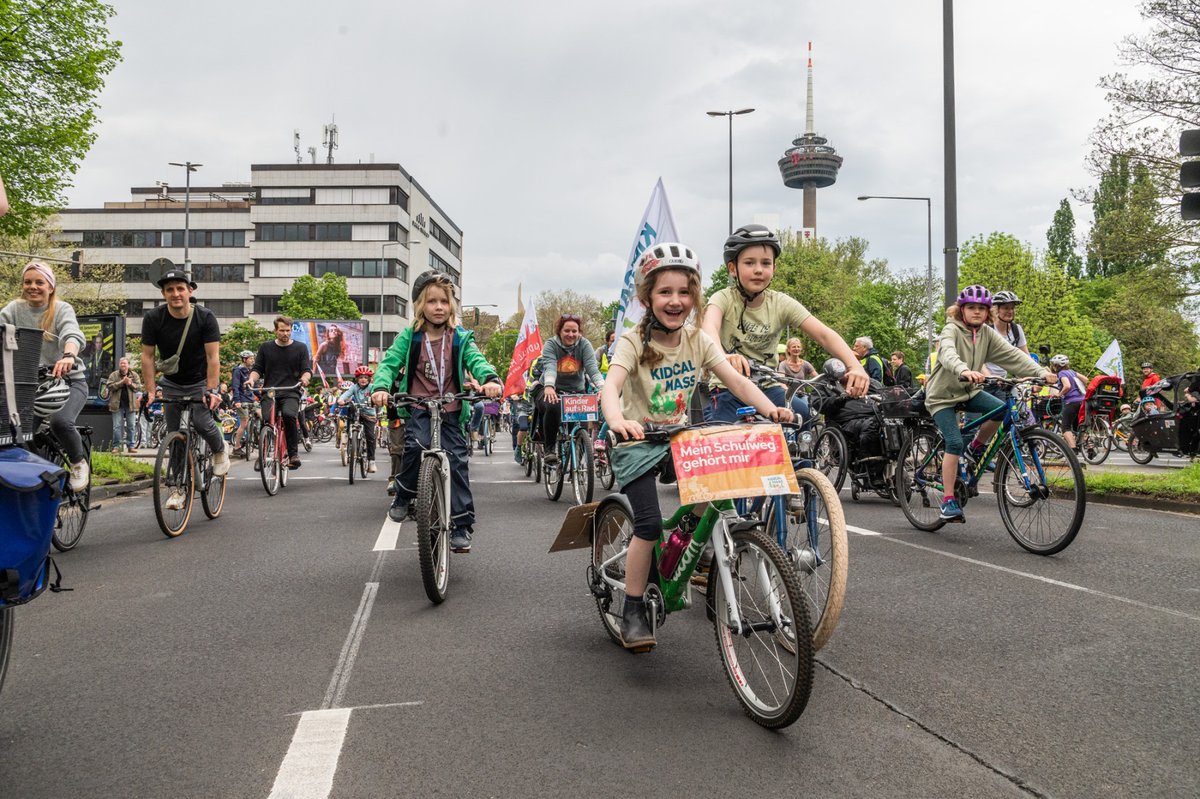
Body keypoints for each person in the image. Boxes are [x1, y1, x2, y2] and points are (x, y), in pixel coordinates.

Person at [601, 242, 793, 651]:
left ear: (695, 297)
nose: (676, 301)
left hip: (680, 439)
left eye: (684, 292)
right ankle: (633, 606)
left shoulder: (698, 341)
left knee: (717, 489)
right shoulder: (633, 342)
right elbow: (611, 385)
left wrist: (770, 408)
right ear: (646, 298)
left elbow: (737, 381)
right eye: (665, 292)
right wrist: (617, 420)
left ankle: (692, 549)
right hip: (638, 443)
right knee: (649, 524)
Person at [370, 271, 502, 553]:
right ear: (421, 305)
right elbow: (389, 363)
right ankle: (404, 496)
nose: (439, 307)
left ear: (451, 305)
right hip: (419, 407)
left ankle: (462, 524)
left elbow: (476, 361)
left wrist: (490, 379)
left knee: (457, 462)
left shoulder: (460, 338)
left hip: (451, 409)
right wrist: (380, 386)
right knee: (415, 448)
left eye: (444, 301)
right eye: (432, 301)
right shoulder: (411, 336)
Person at [702, 223, 868, 423]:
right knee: (724, 438)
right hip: (727, 388)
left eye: (765, 263)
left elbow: (824, 334)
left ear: (774, 268)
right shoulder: (723, 298)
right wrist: (724, 357)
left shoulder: (780, 302)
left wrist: (855, 366)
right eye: (749, 263)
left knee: (804, 415)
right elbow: (709, 327)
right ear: (732, 269)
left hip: (768, 386)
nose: (758, 270)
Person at [923, 285, 1053, 523]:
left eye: (982, 309)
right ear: (961, 310)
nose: (976, 313)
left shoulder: (986, 333)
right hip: (942, 396)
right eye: (971, 308)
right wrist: (964, 369)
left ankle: (976, 448)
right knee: (953, 442)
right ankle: (948, 501)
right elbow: (947, 354)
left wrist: (1041, 372)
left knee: (1001, 410)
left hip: (968, 392)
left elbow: (1012, 356)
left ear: (988, 312)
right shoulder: (950, 330)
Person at [140, 271, 229, 510]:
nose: (175, 294)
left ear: (190, 291)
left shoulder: (205, 317)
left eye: (180, 288)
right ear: (163, 294)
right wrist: (150, 390)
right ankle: (177, 489)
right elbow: (147, 357)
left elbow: (213, 357)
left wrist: (211, 390)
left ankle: (220, 450)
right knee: (175, 435)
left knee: (201, 421)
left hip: (200, 380)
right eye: (170, 290)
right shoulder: (153, 318)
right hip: (171, 382)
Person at [0, 262, 90, 490]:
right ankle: (38, 478)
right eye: (28, 282)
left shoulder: (61, 309)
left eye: (39, 282)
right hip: (31, 385)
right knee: (15, 433)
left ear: (50, 287)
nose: (33, 287)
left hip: (68, 382)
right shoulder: (13, 309)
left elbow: (72, 333)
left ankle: (79, 463)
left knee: (61, 422)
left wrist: (69, 355)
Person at [533, 314, 604, 464]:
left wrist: (603, 388)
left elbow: (592, 370)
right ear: (559, 331)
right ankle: (550, 449)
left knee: (581, 424)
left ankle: (578, 461)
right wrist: (549, 386)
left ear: (579, 332)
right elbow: (550, 367)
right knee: (553, 406)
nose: (571, 335)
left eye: (574, 331)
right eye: (567, 331)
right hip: (550, 390)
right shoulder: (551, 345)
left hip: (576, 392)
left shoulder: (584, 345)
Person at [248, 315, 313, 470]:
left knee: (289, 416)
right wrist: (251, 379)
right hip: (270, 391)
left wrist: (304, 378)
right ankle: (262, 455)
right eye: (282, 330)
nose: (285, 334)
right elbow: (257, 369)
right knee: (266, 420)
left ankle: (293, 455)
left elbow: (307, 370)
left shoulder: (300, 348)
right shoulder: (266, 347)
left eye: (288, 330)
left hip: (291, 391)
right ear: (275, 331)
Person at [338, 366, 378, 473]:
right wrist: (341, 399)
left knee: (370, 437)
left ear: (369, 379)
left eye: (365, 377)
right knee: (350, 421)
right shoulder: (354, 388)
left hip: (369, 414)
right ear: (357, 379)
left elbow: (376, 395)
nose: (363, 379)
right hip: (357, 413)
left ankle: (371, 461)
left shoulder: (372, 387)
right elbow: (346, 394)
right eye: (360, 377)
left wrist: (375, 401)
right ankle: (351, 440)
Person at [1048, 354, 1087, 451]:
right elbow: (1086, 380)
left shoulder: (1061, 373)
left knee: (1065, 427)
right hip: (1082, 401)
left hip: (1071, 402)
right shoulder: (1072, 372)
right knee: (1079, 426)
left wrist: (1059, 394)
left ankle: (1073, 450)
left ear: (1056, 365)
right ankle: (1089, 447)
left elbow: (1067, 386)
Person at [106, 357, 142, 452]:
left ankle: (131, 446)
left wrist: (130, 383)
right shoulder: (114, 375)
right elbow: (109, 386)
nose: (123, 365)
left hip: (131, 405)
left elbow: (138, 387)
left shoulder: (134, 375)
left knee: (131, 426)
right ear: (119, 364)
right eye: (121, 363)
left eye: (125, 363)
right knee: (117, 427)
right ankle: (116, 447)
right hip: (117, 405)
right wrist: (122, 382)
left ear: (128, 365)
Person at [230, 350, 255, 455]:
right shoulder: (237, 370)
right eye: (250, 358)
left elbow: (255, 387)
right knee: (244, 423)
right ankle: (236, 447)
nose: (253, 360)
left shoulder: (251, 371)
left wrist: (263, 396)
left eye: (253, 358)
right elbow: (235, 386)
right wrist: (237, 400)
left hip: (251, 399)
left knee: (262, 414)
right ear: (245, 359)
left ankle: (261, 437)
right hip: (241, 400)